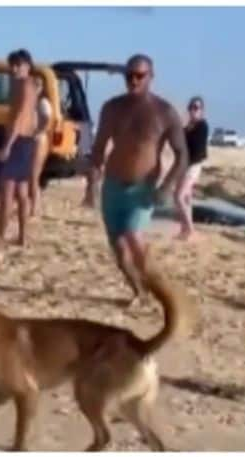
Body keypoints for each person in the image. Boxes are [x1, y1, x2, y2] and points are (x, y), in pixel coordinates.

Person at [89, 54, 188, 307]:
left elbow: (182, 155)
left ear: (151, 77)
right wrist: (92, 183)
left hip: (142, 189)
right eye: (129, 75)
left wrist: (166, 186)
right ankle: (139, 293)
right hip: (113, 187)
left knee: (134, 238)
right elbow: (99, 148)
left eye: (139, 76)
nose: (133, 80)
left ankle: (161, 292)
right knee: (120, 250)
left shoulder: (164, 112)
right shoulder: (112, 108)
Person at [0, 49, 38, 248]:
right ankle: (23, 237)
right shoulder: (28, 84)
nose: (13, 69)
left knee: (7, 193)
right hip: (25, 140)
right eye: (12, 65)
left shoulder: (25, 85)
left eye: (17, 65)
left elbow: (20, 116)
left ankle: (0, 237)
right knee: (21, 192)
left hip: (18, 140)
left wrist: (8, 146)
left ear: (27, 65)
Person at [175, 96, 209, 240]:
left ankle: (190, 229)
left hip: (193, 165)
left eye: (197, 108)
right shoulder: (187, 127)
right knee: (187, 198)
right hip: (185, 165)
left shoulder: (202, 126)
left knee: (179, 197)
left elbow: (198, 150)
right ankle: (185, 230)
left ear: (201, 111)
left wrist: (187, 164)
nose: (194, 110)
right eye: (192, 107)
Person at [28, 76, 53, 218]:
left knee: (34, 175)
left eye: (37, 85)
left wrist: (38, 131)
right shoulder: (33, 102)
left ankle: (35, 208)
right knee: (29, 175)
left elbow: (47, 120)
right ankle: (32, 207)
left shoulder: (43, 102)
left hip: (38, 140)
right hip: (32, 139)